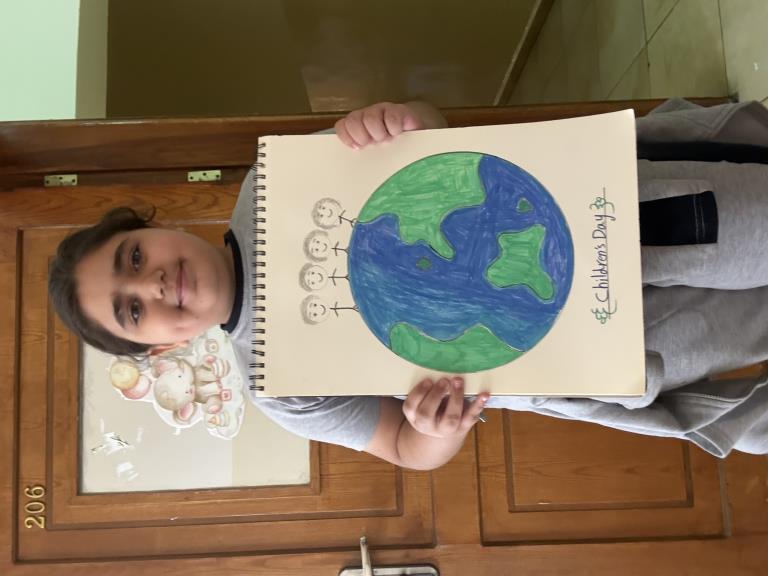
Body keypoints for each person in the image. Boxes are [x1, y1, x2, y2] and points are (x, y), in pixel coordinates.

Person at [49, 99, 768, 470]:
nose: (154, 285)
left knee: (750, 228)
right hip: (601, 348)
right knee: (750, 330)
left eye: (133, 257)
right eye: (131, 310)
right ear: (159, 347)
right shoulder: (278, 388)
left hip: (610, 218)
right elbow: (401, 448)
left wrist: (401, 120)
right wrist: (432, 429)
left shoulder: (273, 180)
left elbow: (439, 147)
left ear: (158, 228)